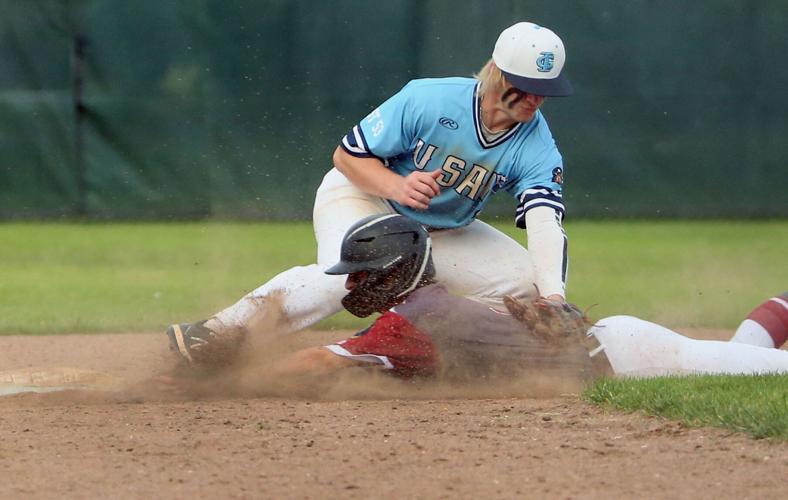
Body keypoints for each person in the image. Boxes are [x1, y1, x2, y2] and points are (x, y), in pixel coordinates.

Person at [167, 21, 575, 368]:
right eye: (525, 86)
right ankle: (214, 334)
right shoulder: (429, 99)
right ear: (497, 73)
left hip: (443, 230)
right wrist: (398, 185)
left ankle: (426, 346)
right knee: (355, 275)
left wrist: (554, 298)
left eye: (545, 89)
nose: (536, 99)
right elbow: (346, 156)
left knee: (526, 285)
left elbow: (544, 221)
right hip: (366, 198)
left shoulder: (536, 144)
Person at [243, 215, 788, 382]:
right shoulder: (422, 309)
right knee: (756, 362)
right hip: (615, 351)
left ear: (395, 272)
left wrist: (234, 379)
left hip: (625, 357)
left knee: (772, 373)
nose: (353, 286)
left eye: (362, 275)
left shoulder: (417, 319)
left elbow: (318, 362)